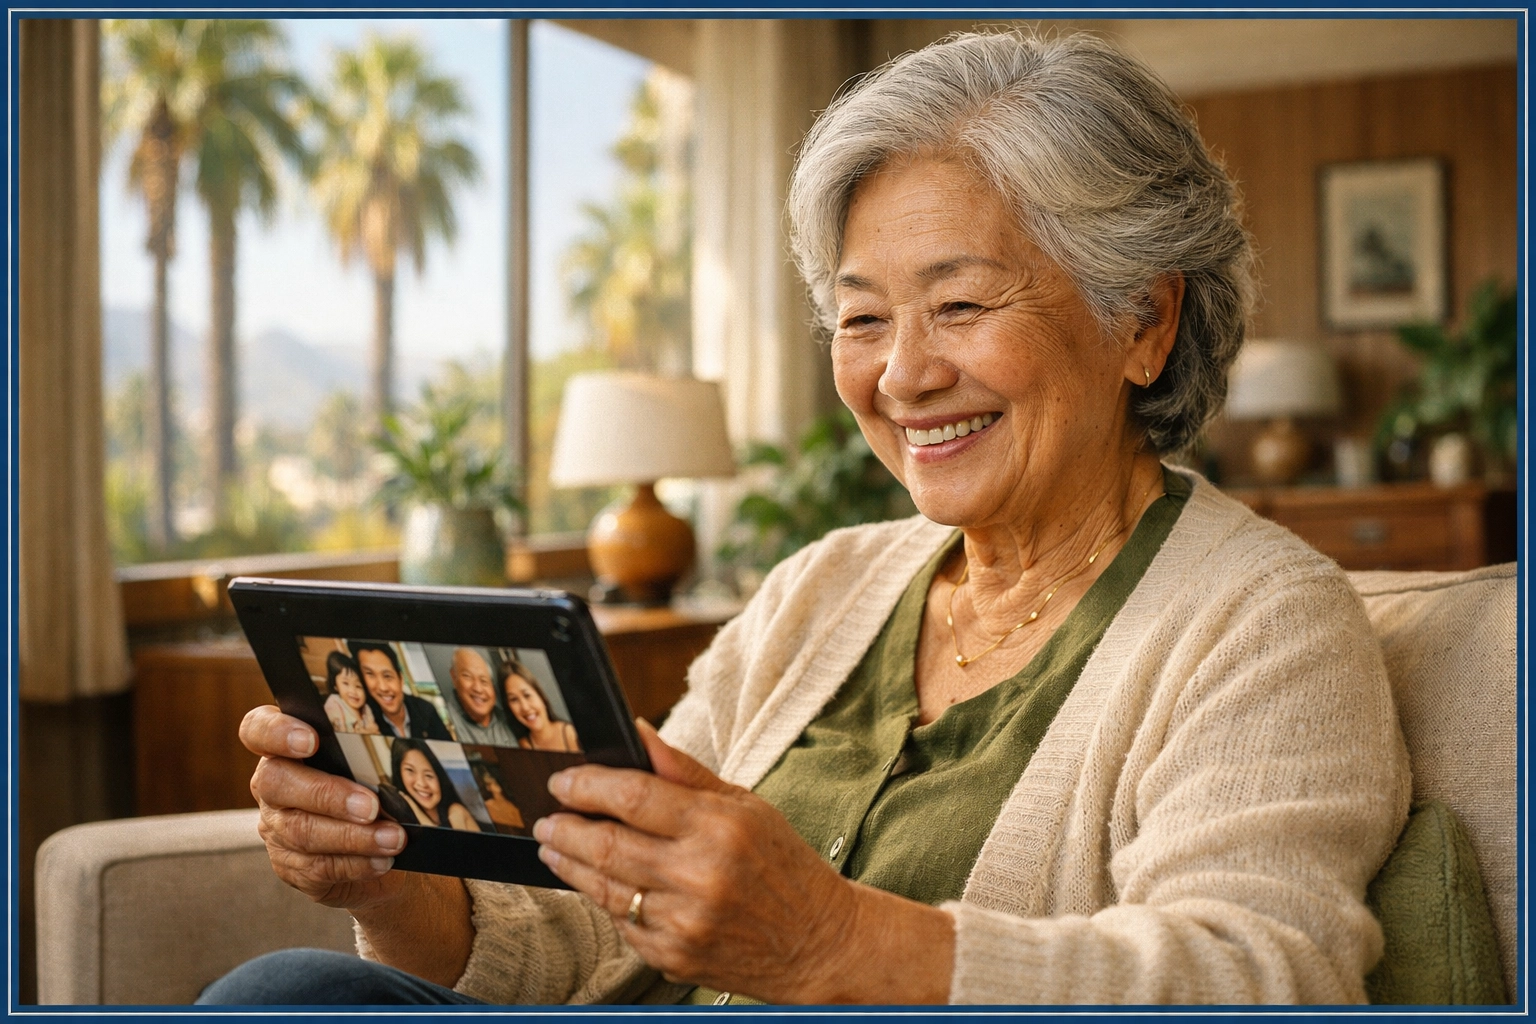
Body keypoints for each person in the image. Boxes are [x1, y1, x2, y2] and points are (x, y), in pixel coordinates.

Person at [212, 30, 1409, 1007]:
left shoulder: (1266, 621)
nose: (902, 377)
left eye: (960, 302)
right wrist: (388, 880)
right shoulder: (816, 588)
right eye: (863, 318)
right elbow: (588, 942)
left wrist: (837, 944)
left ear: (1144, 321)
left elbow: (1270, 976)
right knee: (288, 990)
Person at [350, 640, 451, 741]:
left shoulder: (425, 710)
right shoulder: (365, 719)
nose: (382, 687)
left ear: (401, 679)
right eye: (370, 675)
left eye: (387, 676)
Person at [390, 740, 482, 833]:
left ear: (440, 778)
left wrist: (415, 809)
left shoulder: (457, 813)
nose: (422, 783)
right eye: (410, 770)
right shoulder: (396, 821)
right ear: (399, 773)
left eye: (429, 775)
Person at [441, 648, 519, 747]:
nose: (478, 689)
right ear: (454, 677)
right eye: (467, 676)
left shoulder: (508, 719)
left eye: (484, 681)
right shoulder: (444, 724)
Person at [502, 663, 581, 754]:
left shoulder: (570, 733)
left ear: (541, 696)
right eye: (514, 699)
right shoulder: (523, 746)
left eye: (527, 695)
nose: (525, 707)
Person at [321, 651, 379, 736]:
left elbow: (375, 731)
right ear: (335, 686)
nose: (353, 691)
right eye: (346, 683)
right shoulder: (334, 703)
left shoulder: (366, 709)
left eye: (358, 686)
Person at [471, 763, 526, 834]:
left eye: (491, 775)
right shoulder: (486, 807)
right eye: (489, 783)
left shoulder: (518, 804)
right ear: (487, 787)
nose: (492, 779)